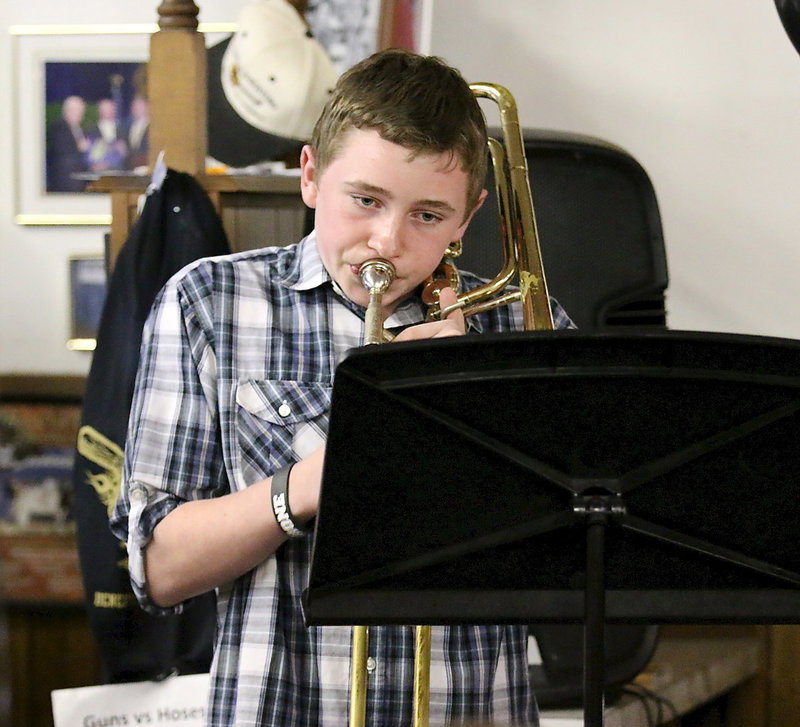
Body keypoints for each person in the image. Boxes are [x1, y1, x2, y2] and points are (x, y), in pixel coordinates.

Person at [110, 48, 574, 727]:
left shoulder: (526, 323)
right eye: (365, 200)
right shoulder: (207, 302)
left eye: (428, 215)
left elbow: (572, 559)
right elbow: (156, 566)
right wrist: (324, 472)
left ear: (468, 217)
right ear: (310, 176)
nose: (387, 240)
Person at [45, 95, 90, 192]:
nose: (81, 115)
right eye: (79, 111)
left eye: (82, 111)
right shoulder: (58, 127)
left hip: (79, 181)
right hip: (65, 182)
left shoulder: (79, 128)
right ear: (68, 110)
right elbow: (62, 153)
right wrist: (80, 148)